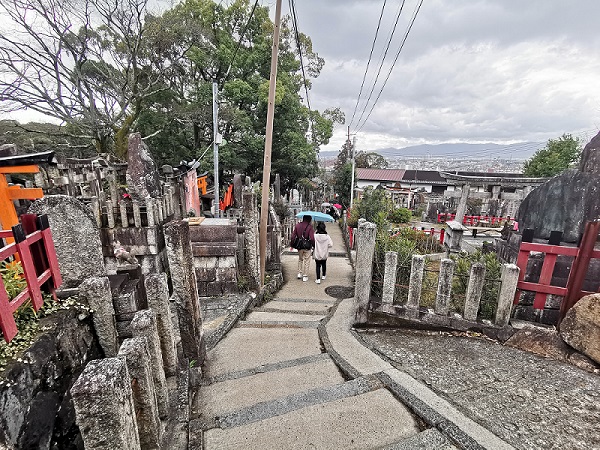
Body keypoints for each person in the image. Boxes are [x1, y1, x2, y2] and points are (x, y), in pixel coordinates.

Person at [290, 215, 314, 282]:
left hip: (299, 245)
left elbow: (293, 236)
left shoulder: (297, 225)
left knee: (300, 259)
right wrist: (313, 245)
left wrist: (292, 245)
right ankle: (305, 276)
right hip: (307, 246)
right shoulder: (310, 227)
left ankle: (299, 273)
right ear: (309, 219)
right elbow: (312, 238)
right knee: (307, 260)